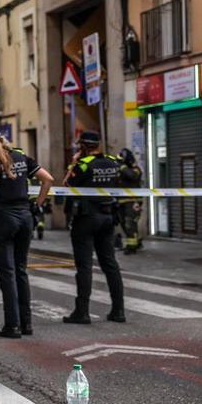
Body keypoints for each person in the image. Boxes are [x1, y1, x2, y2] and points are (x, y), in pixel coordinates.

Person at [0, 126, 53, 339]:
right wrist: (37, 205)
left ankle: (12, 326)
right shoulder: (21, 156)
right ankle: (26, 324)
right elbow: (48, 179)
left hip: (3, 218)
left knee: (7, 273)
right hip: (25, 217)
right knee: (21, 270)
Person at [63, 131, 126, 324]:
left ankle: (82, 312)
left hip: (86, 218)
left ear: (82, 146)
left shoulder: (81, 165)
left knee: (84, 266)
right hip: (108, 216)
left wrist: (74, 162)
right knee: (110, 264)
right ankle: (118, 310)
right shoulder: (113, 161)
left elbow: (67, 184)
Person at [117, 149, 144, 254]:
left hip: (133, 201)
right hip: (121, 201)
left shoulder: (136, 169)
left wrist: (122, 167)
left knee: (130, 223)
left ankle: (132, 247)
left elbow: (132, 176)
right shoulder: (120, 170)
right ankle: (136, 241)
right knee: (124, 223)